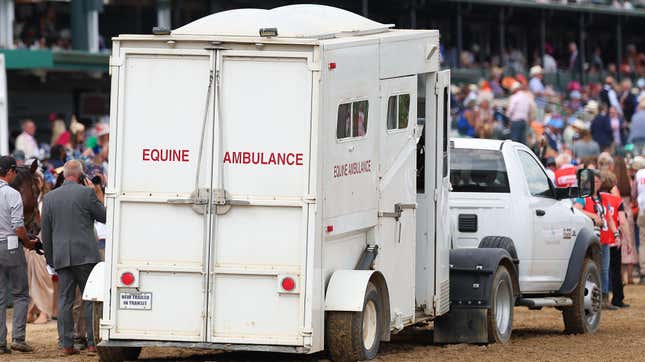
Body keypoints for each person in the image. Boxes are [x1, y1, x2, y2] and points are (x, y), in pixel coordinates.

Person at [41, 160, 106, 355]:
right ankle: (93, 343)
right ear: (80, 176)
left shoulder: (50, 198)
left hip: (61, 256)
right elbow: (105, 216)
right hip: (86, 255)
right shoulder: (86, 193)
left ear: (64, 175)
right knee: (89, 300)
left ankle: (66, 345)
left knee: (64, 301)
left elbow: (46, 232)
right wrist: (96, 193)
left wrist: (51, 259)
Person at [0, 156, 37, 354]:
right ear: (11, 171)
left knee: (0, 296)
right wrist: (28, 242)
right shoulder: (12, 193)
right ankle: (18, 338)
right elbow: (18, 226)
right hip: (11, 246)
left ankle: (0, 342)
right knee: (21, 294)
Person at [575, 170, 620, 310]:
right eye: (593, 181)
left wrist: (616, 234)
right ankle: (590, 297)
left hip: (605, 238)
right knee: (591, 268)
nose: (596, 184)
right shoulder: (583, 197)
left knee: (604, 269)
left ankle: (604, 298)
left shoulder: (604, 198)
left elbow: (610, 219)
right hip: (591, 238)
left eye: (598, 182)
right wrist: (593, 216)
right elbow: (576, 209)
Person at [598, 172, 629, 308]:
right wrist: (627, 240)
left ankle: (599, 297)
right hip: (613, 239)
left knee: (600, 269)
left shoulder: (596, 199)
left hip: (600, 237)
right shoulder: (617, 201)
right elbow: (622, 221)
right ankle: (617, 298)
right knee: (615, 270)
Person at [614, 156, 638, 285]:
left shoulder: (613, 182)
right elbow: (634, 196)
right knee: (630, 243)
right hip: (628, 213)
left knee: (620, 244)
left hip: (617, 214)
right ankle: (630, 277)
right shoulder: (628, 180)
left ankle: (621, 277)